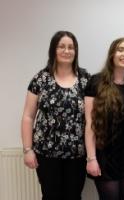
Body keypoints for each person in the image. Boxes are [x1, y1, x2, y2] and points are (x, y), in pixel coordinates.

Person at [21, 31, 90, 200]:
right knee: (50, 196)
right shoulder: (41, 79)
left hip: (77, 154)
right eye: (61, 46)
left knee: (74, 196)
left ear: (76, 51)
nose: (66, 51)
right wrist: (27, 150)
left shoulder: (85, 80)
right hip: (46, 154)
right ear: (53, 50)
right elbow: (28, 116)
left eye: (71, 47)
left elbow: (91, 120)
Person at [84, 37, 124, 200]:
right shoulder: (96, 82)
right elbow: (90, 123)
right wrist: (91, 158)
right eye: (121, 49)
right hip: (105, 157)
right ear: (112, 54)